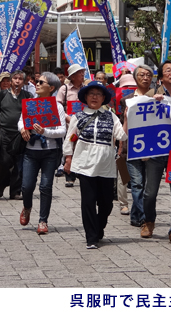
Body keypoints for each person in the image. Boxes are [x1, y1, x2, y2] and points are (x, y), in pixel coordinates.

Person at [63, 81, 127, 249]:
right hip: (85, 163)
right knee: (88, 202)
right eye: (91, 93)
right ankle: (91, 237)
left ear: (104, 98)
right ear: (85, 97)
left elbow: (122, 135)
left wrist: (126, 118)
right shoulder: (77, 117)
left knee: (106, 203)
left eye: (98, 94)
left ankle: (99, 227)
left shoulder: (111, 116)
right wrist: (68, 159)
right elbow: (69, 139)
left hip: (106, 165)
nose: (94, 97)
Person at [140, 60, 171, 246]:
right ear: (160, 77)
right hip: (156, 150)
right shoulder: (150, 95)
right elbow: (140, 119)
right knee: (150, 192)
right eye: (168, 71)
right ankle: (148, 221)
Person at [18, 72, 66, 234]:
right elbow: (21, 120)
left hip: (50, 153)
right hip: (30, 152)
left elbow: (61, 131)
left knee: (46, 187)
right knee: (27, 186)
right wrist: (23, 128)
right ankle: (27, 207)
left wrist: (45, 132)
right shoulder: (31, 103)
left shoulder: (57, 106)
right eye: (37, 82)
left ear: (51, 88)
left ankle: (43, 220)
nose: (37, 84)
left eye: (41, 82)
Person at [0, 70, 32, 199]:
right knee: (5, 161)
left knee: (19, 163)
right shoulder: (1, 95)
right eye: (15, 79)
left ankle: (15, 191)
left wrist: (28, 129)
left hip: (21, 134)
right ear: (11, 81)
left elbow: (31, 115)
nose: (17, 81)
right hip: (5, 133)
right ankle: (1, 185)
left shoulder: (27, 96)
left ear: (24, 82)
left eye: (20, 79)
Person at [122, 64, 153, 227]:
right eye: (142, 75)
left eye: (149, 75)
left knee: (147, 186)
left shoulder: (157, 98)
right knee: (137, 183)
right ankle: (142, 217)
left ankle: (135, 216)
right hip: (132, 148)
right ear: (135, 78)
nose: (146, 78)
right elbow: (122, 127)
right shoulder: (126, 100)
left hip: (152, 147)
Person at [56, 64, 86, 187]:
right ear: (72, 76)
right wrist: (67, 118)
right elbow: (58, 107)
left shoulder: (86, 88)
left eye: (83, 73)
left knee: (82, 147)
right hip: (70, 123)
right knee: (70, 146)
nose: (82, 75)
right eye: (80, 73)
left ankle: (80, 172)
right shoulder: (65, 89)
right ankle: (70, 174)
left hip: (84, 123)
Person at [115, 74, 137, 216]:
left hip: (144, 143)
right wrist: (120, 146)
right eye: (126, 87)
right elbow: (123, 123)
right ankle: (123, 204)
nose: (129, 89)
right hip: (126, 140)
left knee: (139, 179)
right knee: (123, 174)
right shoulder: (124, 100)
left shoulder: (151, 99)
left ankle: (138, 205)